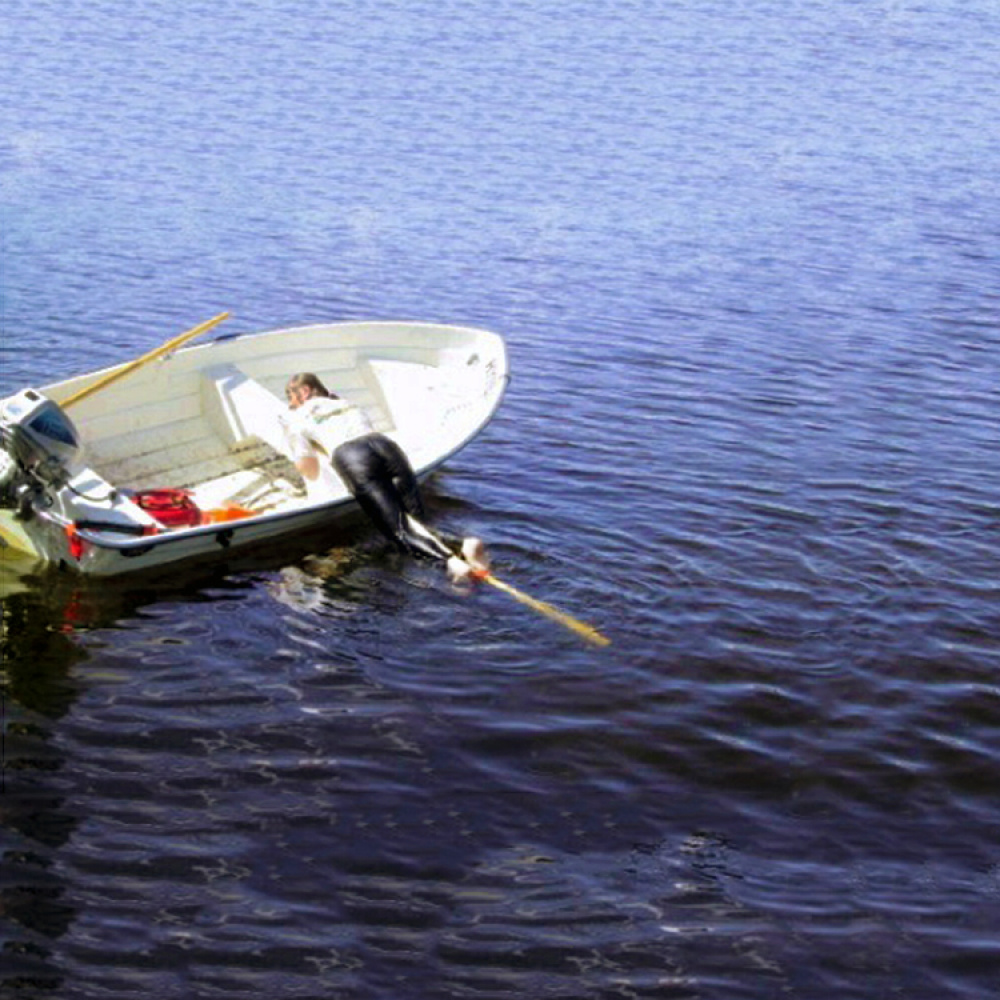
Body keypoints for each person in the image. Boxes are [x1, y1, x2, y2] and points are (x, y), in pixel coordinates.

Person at [282, 372, 489, 582]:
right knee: (415, 520)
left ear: (304, 391)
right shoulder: (346, 403)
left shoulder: (296, 418)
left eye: (291, 398)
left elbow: (309, 469)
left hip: (353, 457)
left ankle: (451, 563)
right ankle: (462, 545)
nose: (291, 404)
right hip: (386, 447)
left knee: (399, 531)